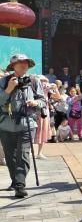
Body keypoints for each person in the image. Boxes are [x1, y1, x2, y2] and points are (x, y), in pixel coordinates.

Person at [0, 54, 46, 198]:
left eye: (26, 62)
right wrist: (8, 89)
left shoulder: (34, 81)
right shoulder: (3, 81)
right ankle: (15, 181)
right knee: (10, 156)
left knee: (23, 154)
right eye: (20, 63)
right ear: (13, 66)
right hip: (6, 124)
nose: (23, 65)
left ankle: (20, 185)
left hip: (27, 123)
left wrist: (36, 103)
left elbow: (43, 100)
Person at [34, 76, 52, 159]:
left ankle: (39, 153)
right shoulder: (33, 89)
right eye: (42, 81)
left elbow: (58, 97)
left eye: (46, 81)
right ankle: (31, 152)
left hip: (45, 113)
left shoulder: (48, 90)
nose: (44, 83)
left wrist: (54, 89)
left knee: (44, 131)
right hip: (35, 113)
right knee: (34, 132)